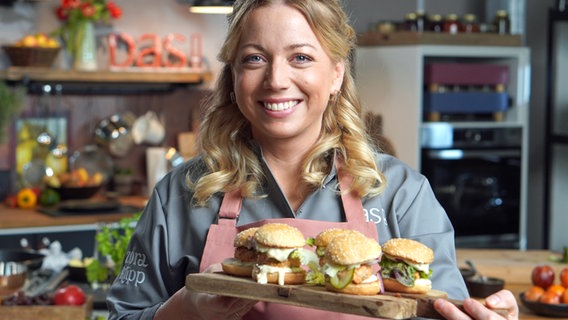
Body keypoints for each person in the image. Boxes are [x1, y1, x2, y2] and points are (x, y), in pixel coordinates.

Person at [106, 0, 520, 319]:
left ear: (336, 73)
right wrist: (186, 309)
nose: (276, 80)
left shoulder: (401, 194)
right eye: (254, 58)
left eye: (301, 57)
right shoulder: (181, 194)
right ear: (233, 77)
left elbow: (445, 310)